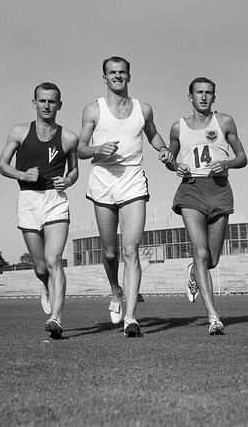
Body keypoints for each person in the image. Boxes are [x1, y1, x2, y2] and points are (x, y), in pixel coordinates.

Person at [78, 56, 173, 337]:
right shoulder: (94, 110)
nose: (117, 76)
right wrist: (97, 150)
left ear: (129, 76)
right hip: (103, 181)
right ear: (104, 77)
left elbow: (154, 135)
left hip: (133, 180)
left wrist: (163, 149)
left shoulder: (143, 109)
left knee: (131, 250)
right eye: (112, 73)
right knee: (110, 251)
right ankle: (115, 290)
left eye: (122, 72)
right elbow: (81, 148)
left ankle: (131, 317)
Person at [166, 77, 247, 335]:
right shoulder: (178, 127)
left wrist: (228, 164)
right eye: (199, 92)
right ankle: (214, 317)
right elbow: (171, 156)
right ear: (190, 97)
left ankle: (194, 273)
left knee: (211, 259)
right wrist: (173, 163)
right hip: (191, 190)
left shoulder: (224, 122)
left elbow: (243, 157)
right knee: (200, 252)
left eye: (208, 93)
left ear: (214, 97)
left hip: (220, 189)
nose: (203, 97)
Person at [0, 82, 79, 339]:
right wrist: (23, 174)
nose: (47, 106)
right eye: (42, 101)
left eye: (52, 101)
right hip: (28, 200)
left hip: (56, 200)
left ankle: (56, 318)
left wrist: (67, 180)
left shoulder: (69, 138)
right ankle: (45, 286)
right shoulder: (19, 132)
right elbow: (2, 165)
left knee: (55, 260)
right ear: (34, 102)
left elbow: (74, 170)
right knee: (41, 266)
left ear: (59, 105)